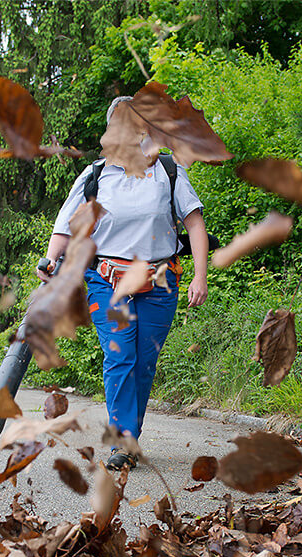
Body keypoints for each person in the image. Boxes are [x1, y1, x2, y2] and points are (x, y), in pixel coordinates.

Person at [36, 95, 210, 471]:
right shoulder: (96, 176)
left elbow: (194, 223)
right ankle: (121, 440)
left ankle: (129, 435)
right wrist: (51, 259)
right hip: (106, 279)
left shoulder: (168, 170)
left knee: (144, 363)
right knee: (120, 355)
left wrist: (200, 275)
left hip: (160, 280)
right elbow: (65, 227)